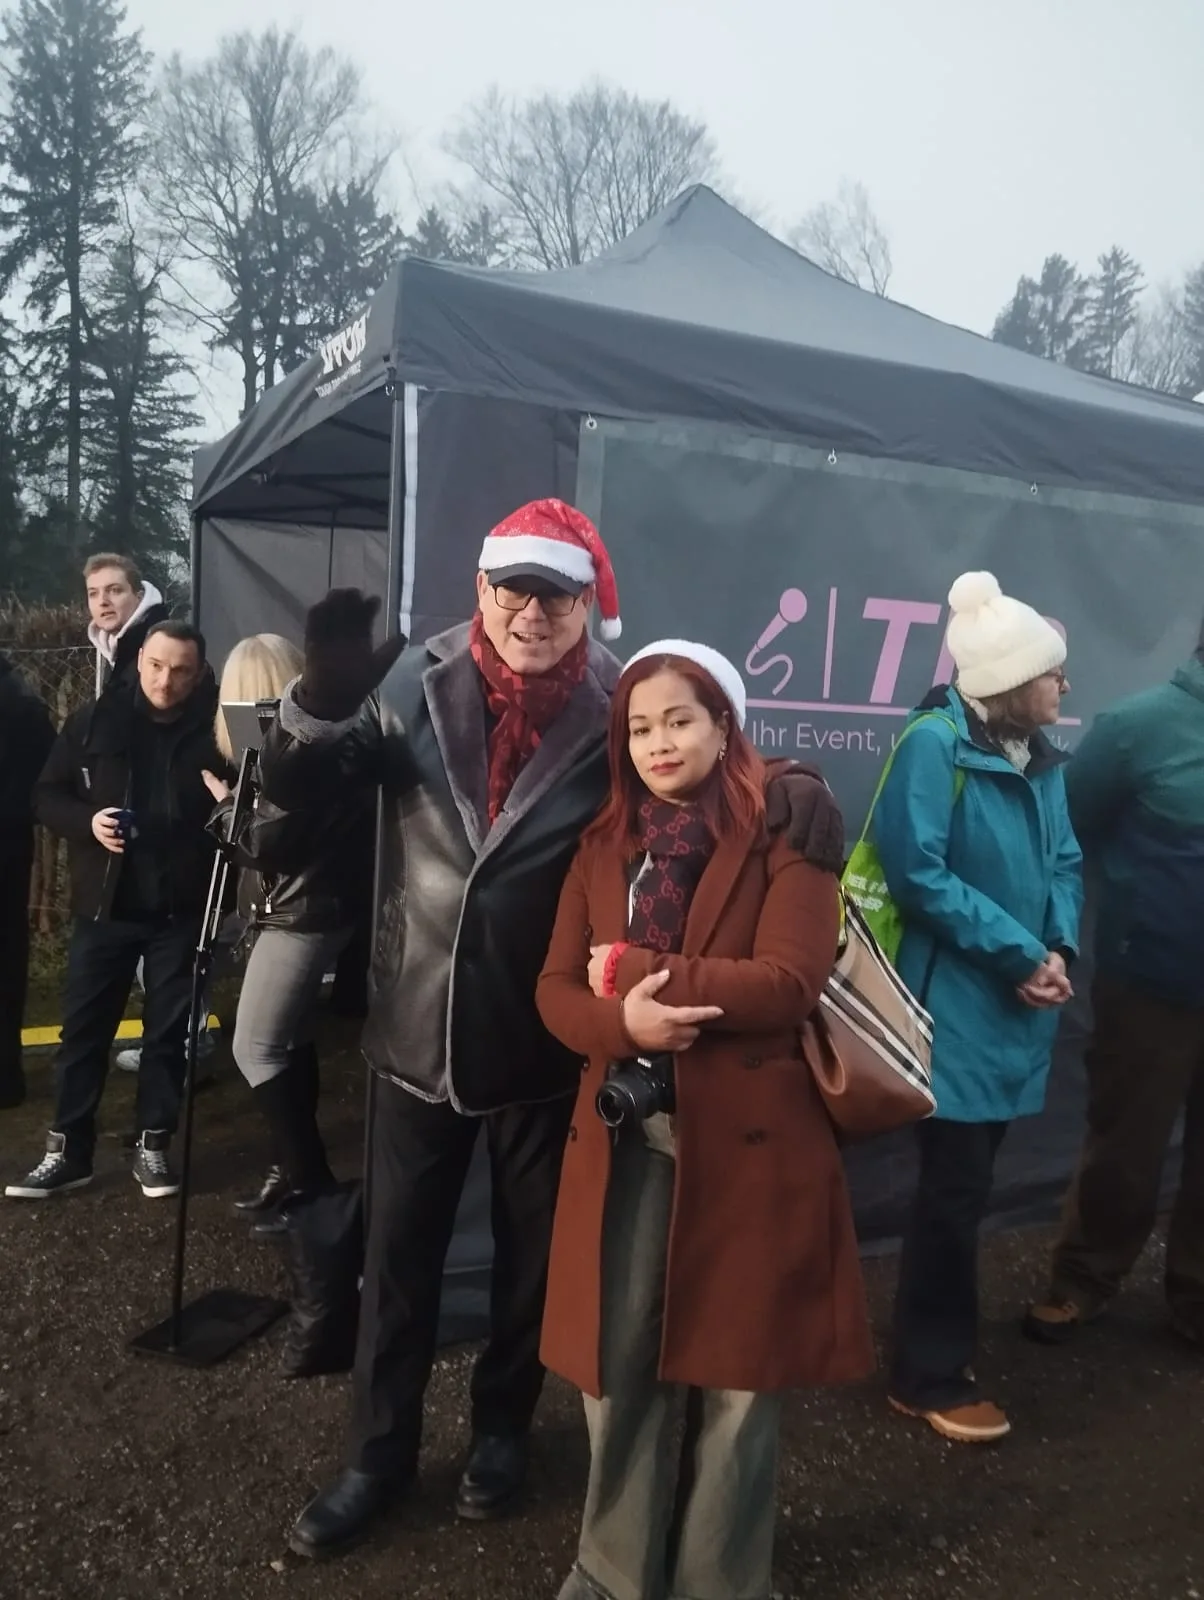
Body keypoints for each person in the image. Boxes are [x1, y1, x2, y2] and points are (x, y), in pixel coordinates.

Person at [257, 500, 625, 1558]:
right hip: (416, 1022)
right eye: (514, 589)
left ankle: (502, 1429)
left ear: (585, 606)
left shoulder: (618, 705)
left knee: (528, 1264)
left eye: (556, 594)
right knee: (398, 1261)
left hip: (542, 1032)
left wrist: (785, 799)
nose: (532, 612)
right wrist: (321, 704)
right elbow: (293, 805)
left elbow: (689, 789)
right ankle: (377, 1457)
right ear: (481, 590)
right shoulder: (412, 681)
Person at [535, 640, 873, 1600]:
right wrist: (621, 1025)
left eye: (680, 720)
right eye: (639, 727)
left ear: (724, 725)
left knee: (740, 1382)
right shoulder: (603, 846)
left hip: (754, 1146)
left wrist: (638, 975)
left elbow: (789, 982)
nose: (658, 743)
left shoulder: (786, 826)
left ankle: (721, 1583)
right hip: (628, 1142)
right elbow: (554, 991)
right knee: (617, 1367)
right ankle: (612, 1570)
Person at [873, 571, 1083, 1443]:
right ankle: (926, 1375)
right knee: (953, 1196)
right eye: (1051, 672)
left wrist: (1058, 947)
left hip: (1015, 1005)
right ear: (1008, 681)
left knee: (965, 1189)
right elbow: (917, 874)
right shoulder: (932, 745)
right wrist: (1019, 954)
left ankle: (932, 1352)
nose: (1064, 683)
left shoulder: (1039, 754)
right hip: (952, 1011)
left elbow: (1065, 859)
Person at [1026, 622, 1204, 1350]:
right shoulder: (1138, 728)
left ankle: (1196, 1299)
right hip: (1153, 984)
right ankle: (1083, 1280)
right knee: (1127, 1147)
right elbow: (1065, 832)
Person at [5, 621, 227, 1201]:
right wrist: (88, 822)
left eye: (180, 671)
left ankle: (154, 1145)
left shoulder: (219, 731)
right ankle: (67, 1151)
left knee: (167, 1036)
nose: (165, 680)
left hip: (179, 908)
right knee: (83, 1032)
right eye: (156, 665)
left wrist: (227, 811)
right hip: (103, 907)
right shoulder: (93, 721)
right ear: (139, 659)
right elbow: (44, 795)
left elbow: (249, 810)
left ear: (199, 673)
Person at [200, 632, 374, 1234]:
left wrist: (226, 807)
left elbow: (264, 842)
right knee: (289, 1040)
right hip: (300, 907)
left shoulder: (303, 751)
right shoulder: (316, 742)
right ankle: (294, 1170)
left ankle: (311, 1185)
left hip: (300, 913)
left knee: (256, 1046)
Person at [0, 653, 56, 1110]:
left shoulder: (18, 702)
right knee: (7, 957)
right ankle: (6, 1075)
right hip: (11, 846)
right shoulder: (23, 699)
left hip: (7, 844)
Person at [84, 552, 169, 700]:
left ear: (139, 597)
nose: (102, 601)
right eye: (93, 593)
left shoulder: (164, 649)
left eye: (115, 590)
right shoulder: (116, 648)